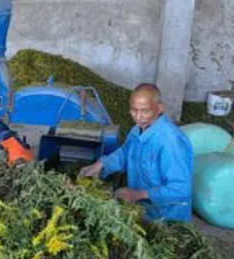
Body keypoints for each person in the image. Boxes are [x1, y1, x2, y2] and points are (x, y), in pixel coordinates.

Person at [78, 83, 193, 222]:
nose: (138, 117)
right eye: (134, 110)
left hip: (167, 219)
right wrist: (101, 164)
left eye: (145, 111)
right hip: (141, 212)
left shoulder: (171, 142)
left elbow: (180, 188)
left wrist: (140, 194)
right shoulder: (136, 131)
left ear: (159, 109)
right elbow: (125, 154)